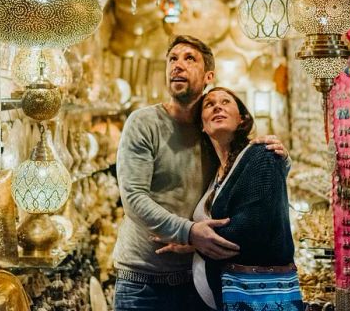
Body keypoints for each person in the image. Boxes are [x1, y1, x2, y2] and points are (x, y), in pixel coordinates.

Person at [112, 35, 287, 311]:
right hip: (143, 281)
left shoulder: (212, 129)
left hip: (198, 278)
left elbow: (246, 168)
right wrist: (189, 232)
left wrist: (280, 159)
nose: (177, 66)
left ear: (209, 76)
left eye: (189, 59)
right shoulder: (144, 122)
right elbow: (133, 197)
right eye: (172, 59)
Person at [157, 87, 302, 310]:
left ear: (242, 119)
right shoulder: (217, 171)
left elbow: (253, 227)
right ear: (202, 127)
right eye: (209, 104)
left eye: (226, 102)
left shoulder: (261, 153)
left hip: (256, 297)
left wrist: (192, 239)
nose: (217, 106)